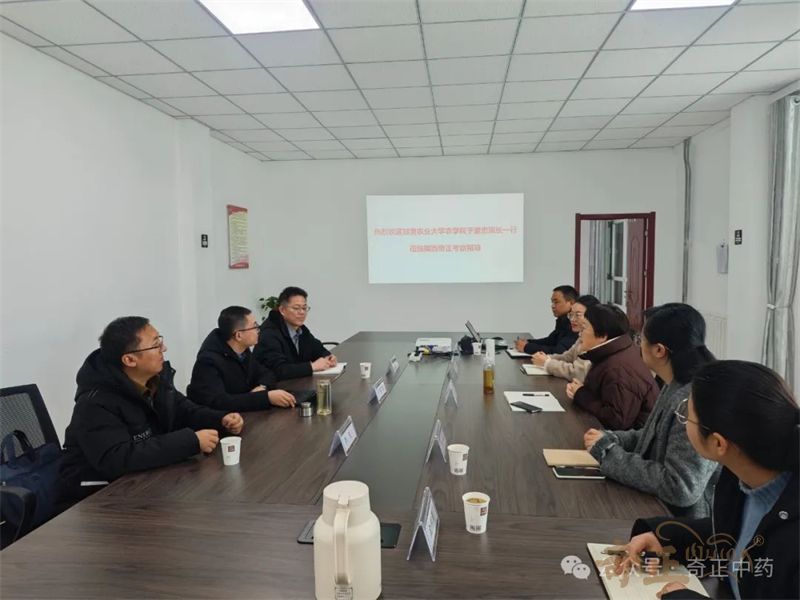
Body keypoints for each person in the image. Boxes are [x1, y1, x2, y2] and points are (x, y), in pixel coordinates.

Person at [615, 361, 799, 599]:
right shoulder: (740, 475)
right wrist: (665, 537)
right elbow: (741, 538)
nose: (683, 419)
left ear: (718, 443)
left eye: (686, 416)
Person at [58, 317, 243, 507]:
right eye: (156, 345)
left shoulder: (155, 380)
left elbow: (185, 410)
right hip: (98, 498)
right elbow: (116, 459)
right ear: (130, 360)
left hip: (148, 483)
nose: (164, 349)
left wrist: (221, 419)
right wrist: (190, 441)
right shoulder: (95, 403)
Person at [583, 303, 718, 517]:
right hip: (652, 504)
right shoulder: (676, 382)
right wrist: (613, 439)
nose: (637, 346)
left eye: (641, 340)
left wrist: (609, 454)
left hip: (675, 522)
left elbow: (680, 487)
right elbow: (652, 436)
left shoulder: (693, 401)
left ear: (659, 350)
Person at [187, 306, 297, 412]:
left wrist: (262, 387)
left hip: (243, 415)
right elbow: (220, 402)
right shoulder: (208, 361)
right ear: (239, 335)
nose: (258, 330)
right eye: (254, 327)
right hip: (217, 421)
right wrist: (265, 398)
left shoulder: (243, 351)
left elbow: (267, 374)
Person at [567, 303, 657, 430]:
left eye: (584, 328)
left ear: (603, 336)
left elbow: (616, 421)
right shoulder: (617, 351)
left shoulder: (619, 369)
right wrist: (583, 390)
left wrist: (581, 394)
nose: (580, 334)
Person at [254, 286, 337, 380]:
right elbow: (279, 370)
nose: (302, 312)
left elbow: (317, 348)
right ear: (282, 310)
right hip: (276, 386)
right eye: (296, 308)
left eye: (304, 308)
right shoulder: (269, 333)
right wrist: (312, 367)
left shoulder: (300, 329)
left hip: (297, 383)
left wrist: (328, 357)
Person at [531, 294, 599, 382]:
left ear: (592, 316)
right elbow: (567, 357)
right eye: (571, 315)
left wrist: (547, 363)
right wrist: (546, 357)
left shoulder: (595, 338)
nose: (572, 319)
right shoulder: (581, 335)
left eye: (578, 315)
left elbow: (578, 373)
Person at [515, 285, 579, 355]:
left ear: (571, 303)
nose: (552, 306)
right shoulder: (563, 320)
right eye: (552, 302)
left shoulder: (577, 323)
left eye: (556, 302)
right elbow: (550, 341)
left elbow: (560, 351)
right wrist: (528, 342)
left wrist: (527, 347)